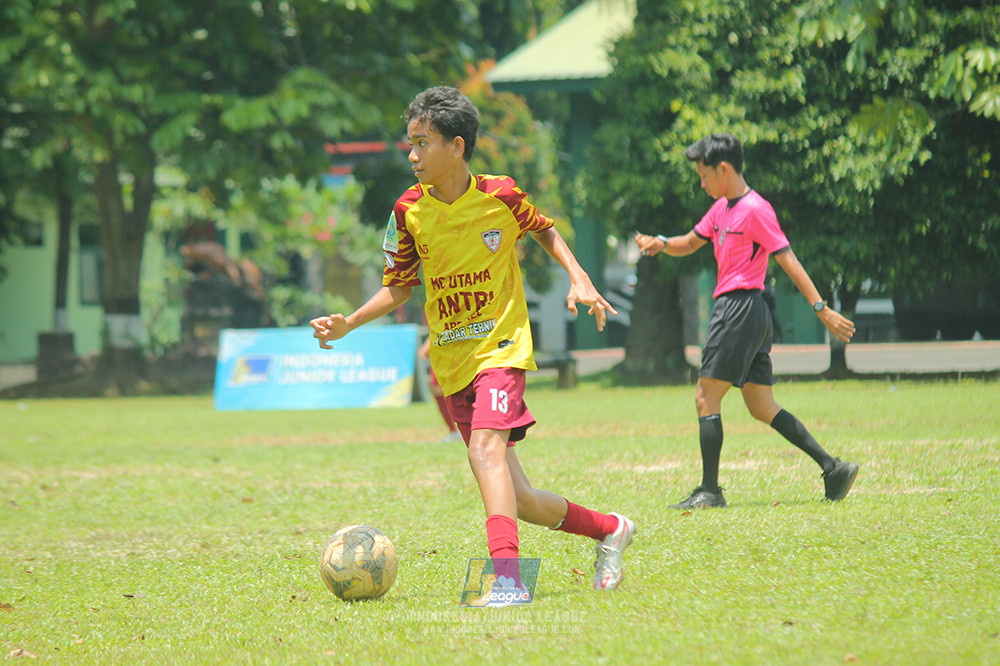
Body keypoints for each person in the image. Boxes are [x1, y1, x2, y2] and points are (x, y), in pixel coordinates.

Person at [311, 86, 634, 591]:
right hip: (453, 359)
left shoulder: (500, 195)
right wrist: (350, 322)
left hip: (501, 347)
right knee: (520, 498)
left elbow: (544, 229)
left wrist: (580, 276)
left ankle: (506, 580)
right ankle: (611, 530)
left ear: (456, 146)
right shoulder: (408, 212)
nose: (412, 155)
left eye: (422, 142)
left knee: (486, 452)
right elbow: (398, 288)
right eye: (410, 143)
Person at [635, 132, 859, 508]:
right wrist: (661, 242)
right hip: (751, 314)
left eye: (704, 175)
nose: (701, 182)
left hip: (739, 308)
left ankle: (709, 491)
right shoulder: (721, 209)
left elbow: (788, 259)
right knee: (760, 405)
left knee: (706, 397)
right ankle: (833, 468)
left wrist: (822, 309)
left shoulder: (756, 209)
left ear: (724, 169)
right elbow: (690, 242)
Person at [418, 336, 462, 442]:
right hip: (441, 351)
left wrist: (427, 346)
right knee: (437, 390)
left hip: (446, 350)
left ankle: (458, 431)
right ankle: (454, 431)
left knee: (440, 389)